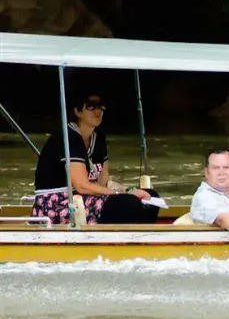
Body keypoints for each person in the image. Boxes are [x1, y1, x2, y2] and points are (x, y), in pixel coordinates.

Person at [30, 90, 151, 225]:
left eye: (100, 106)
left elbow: (103, 183)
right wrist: (121, 195)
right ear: (77, 111)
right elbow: (82, 186)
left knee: (150, 198)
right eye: (91, 106)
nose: (98, 111)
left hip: (88, 197)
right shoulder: (69, 137)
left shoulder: (98, 138)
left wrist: (130, 190)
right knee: (126, 203)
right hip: (59, 202)